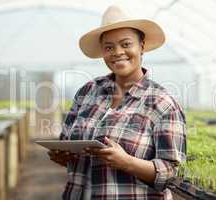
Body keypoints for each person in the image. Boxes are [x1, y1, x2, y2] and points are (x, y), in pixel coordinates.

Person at [48, 5, 186, 200]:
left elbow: (174, 175)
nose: (117, 52)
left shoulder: (162, 103)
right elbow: (67, 143)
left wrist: (127, 162)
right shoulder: (87, 92)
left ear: (142, 46)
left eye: (126, 44)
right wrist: (62, 155)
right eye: (109, 47)